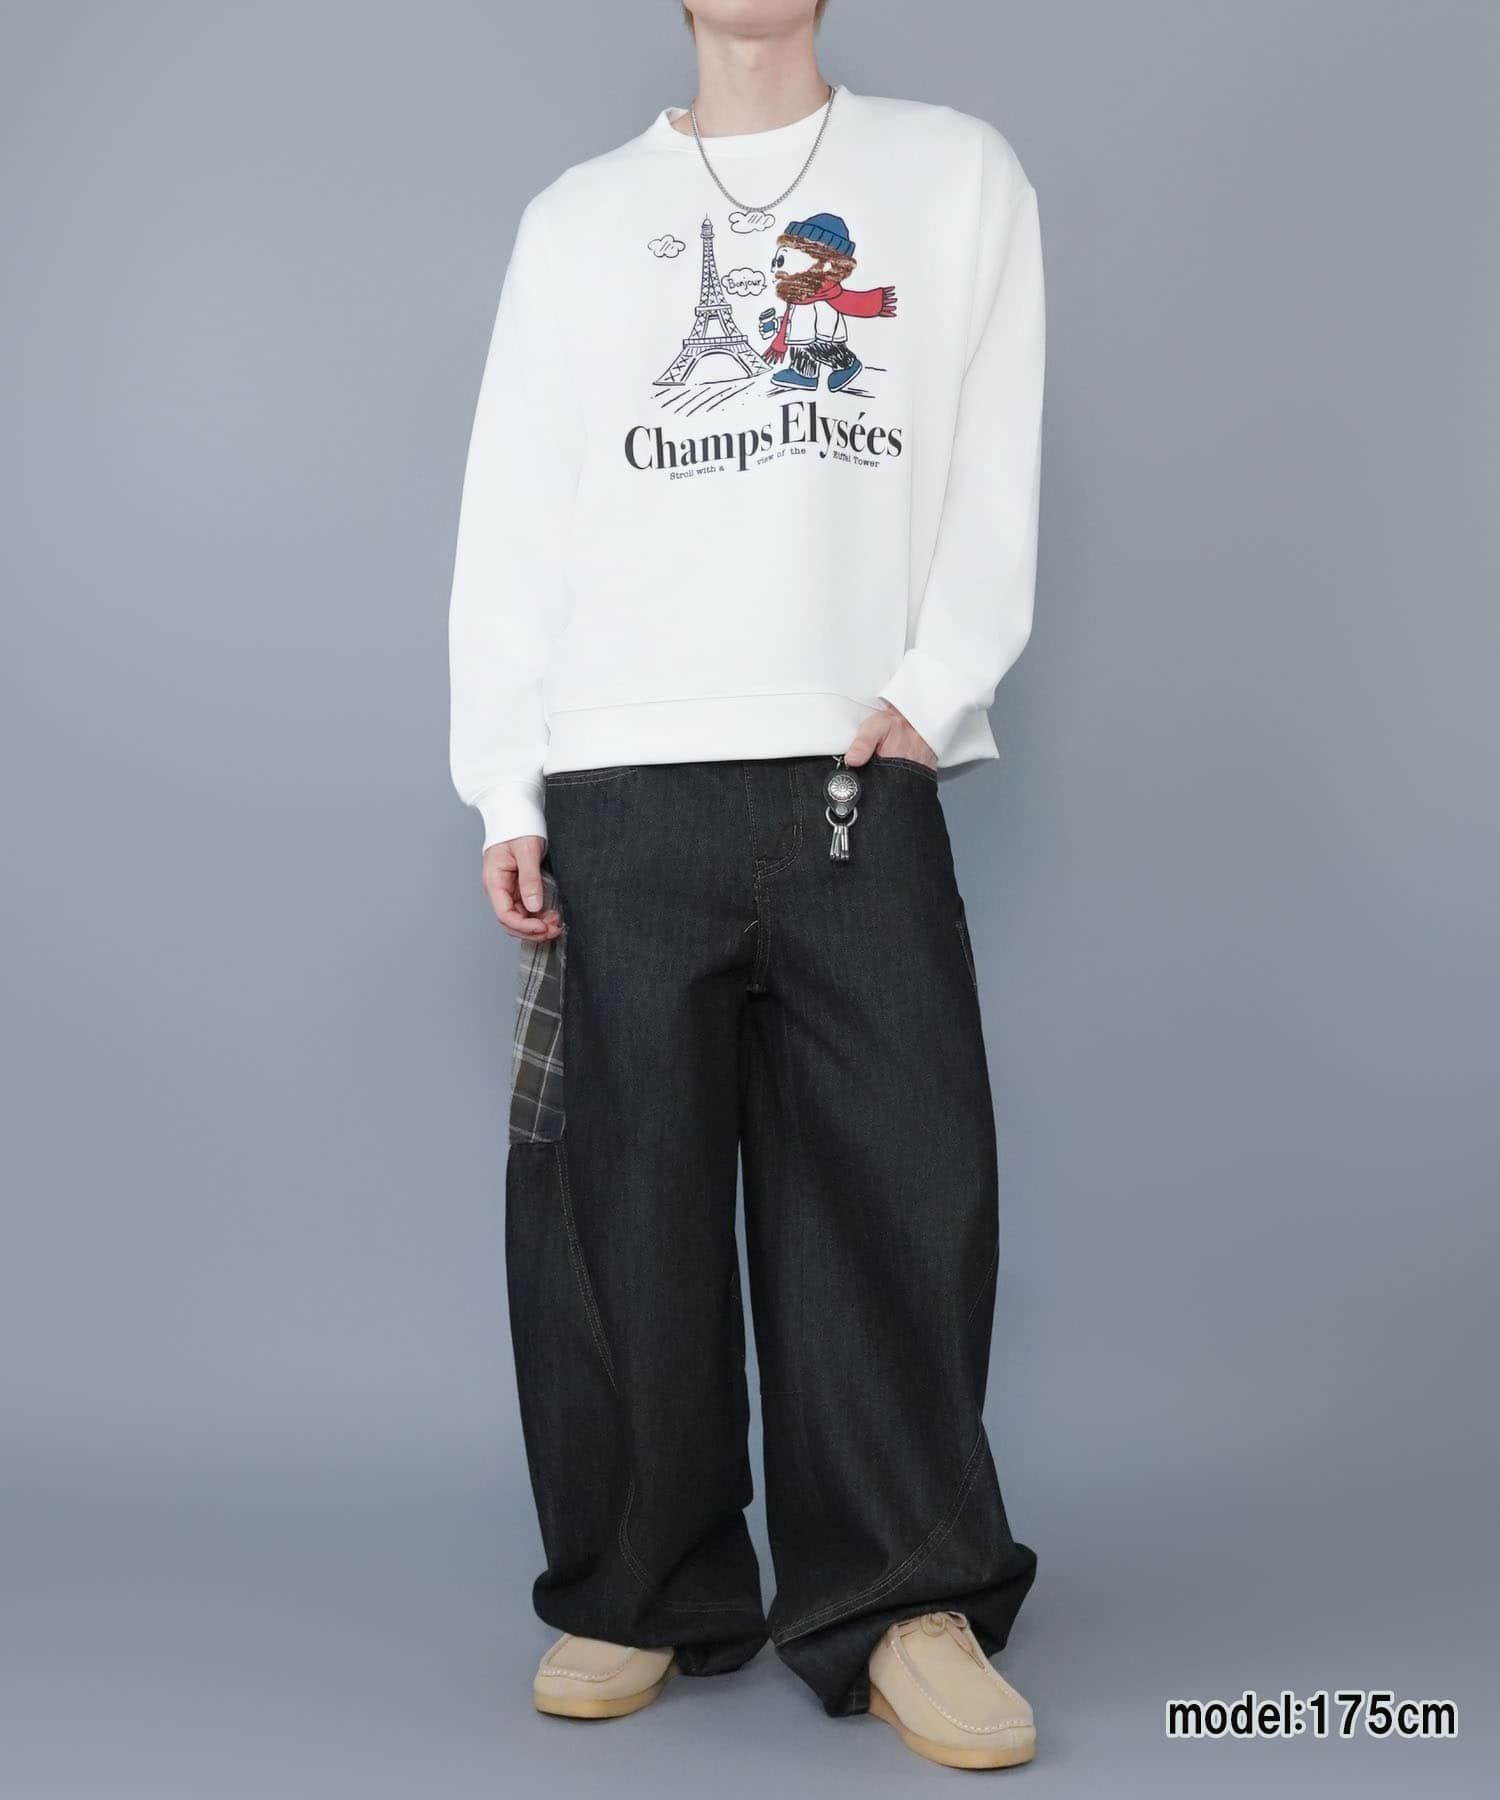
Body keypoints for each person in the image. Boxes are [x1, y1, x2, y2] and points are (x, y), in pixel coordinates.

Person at [447, 0, 1045, 1770]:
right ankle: (643, 1583)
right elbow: (517, 513)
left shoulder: (954, 176)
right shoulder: (576, 221)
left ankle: (907, 1597)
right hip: (620, 773)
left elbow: (995, 449)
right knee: (614, 1206)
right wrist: (506, 779)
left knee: (902, 1184)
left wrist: (939, 686)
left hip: (854, 761)